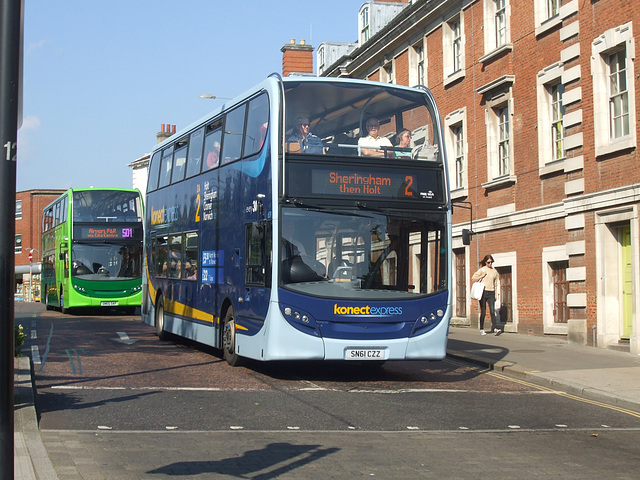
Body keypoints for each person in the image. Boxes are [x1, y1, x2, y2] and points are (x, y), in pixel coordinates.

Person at [471, 254, 501, 335]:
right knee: (483, 311)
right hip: (483, 292)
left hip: (491, 292)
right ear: (485, 262)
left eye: (491, 262)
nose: (490, 264)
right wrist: (482, 276)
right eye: (488, 262)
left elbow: (495, 284)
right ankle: (481, 329)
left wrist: (495, 294)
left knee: (492, 311)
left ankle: (495, 328)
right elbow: (473, 278)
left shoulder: (495, 272)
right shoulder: (482, 270)